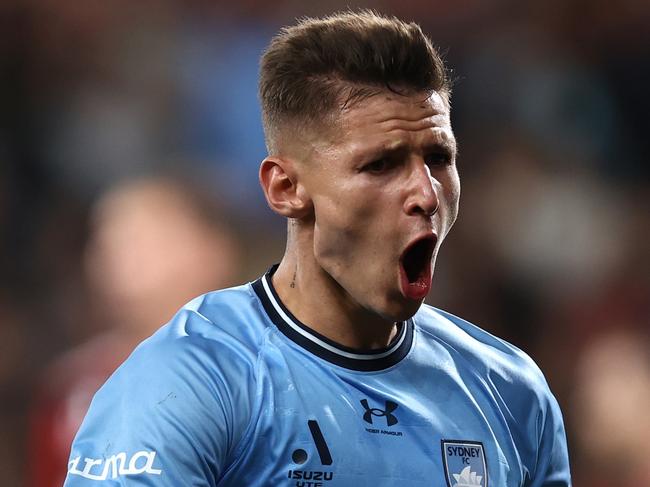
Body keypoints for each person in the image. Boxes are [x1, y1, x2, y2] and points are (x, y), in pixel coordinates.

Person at [64, 10, 571, 486]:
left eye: (438, 158)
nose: (425, 192)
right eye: (381, 165)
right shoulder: (191, 381)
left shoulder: (511, 393)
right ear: (286, 189)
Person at [29, 176, 240, 487]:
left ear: (212, 250)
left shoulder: (268, 373)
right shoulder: (72, 386)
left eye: (145, 239)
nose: (119, 257)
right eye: (106, 242)